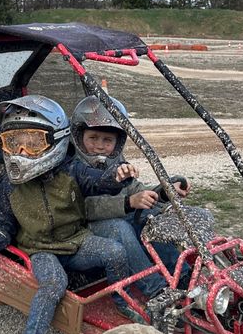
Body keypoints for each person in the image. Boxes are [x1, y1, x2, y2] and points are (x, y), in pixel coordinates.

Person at [0, 95, 144, 334]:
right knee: (53, 285)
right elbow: (2, 228)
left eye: (32, 143)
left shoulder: (72, 171)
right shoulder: (8, 190)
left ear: (55, 140)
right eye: (13, 143)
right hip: (40, 250)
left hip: (76, 240)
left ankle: (122, 302)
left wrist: (117, 176)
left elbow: (98, 181)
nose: (21, 152)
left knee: (115, 252)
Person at [70, 95, 194, 282]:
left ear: (118, 142)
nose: (100, 146)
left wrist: (163, 192)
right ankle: (154, 288)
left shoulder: (115, 161)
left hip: (116, 215)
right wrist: (128, 203)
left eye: (107, 140)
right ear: (80, 137)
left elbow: (135, 188)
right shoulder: (73, 166)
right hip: (82, 226)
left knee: (150, 216)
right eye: (93, 138)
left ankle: (183, 275)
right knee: (120, 228)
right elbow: (84, 207)